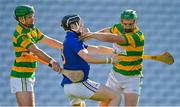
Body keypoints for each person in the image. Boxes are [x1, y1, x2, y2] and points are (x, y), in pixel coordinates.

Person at [83, 9, 144, 106]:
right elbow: (104, 31)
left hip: (132, 78)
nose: (127, 27)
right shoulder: (118, 27)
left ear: (135, 22)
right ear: (121, 21)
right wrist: (87, 37)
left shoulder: (137, 37)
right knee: (104, 105)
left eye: (130, 24)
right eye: (125, 23)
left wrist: (92, 34)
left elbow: (110, 38)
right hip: (115, 75)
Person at [60, 14, 123, 107]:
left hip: (68, 87)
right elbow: (87, 58)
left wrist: (115, 51)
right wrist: (110, 60)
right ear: (73, 26)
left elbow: (97, 49)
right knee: (116, 97)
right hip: (79, 84)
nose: (83, 27)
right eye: (80, 25)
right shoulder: (74, 41)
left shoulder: (69, 40)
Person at [11, 5, 63, 106]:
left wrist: (66, 47)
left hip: (29, 75)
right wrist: (52, 61)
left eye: (33, 16)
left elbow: (49, 41)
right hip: (21, 76)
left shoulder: (32, 29)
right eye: (30, 17)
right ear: (21, 19)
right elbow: (36, 51)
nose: (33, 19)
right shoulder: (22, 35)